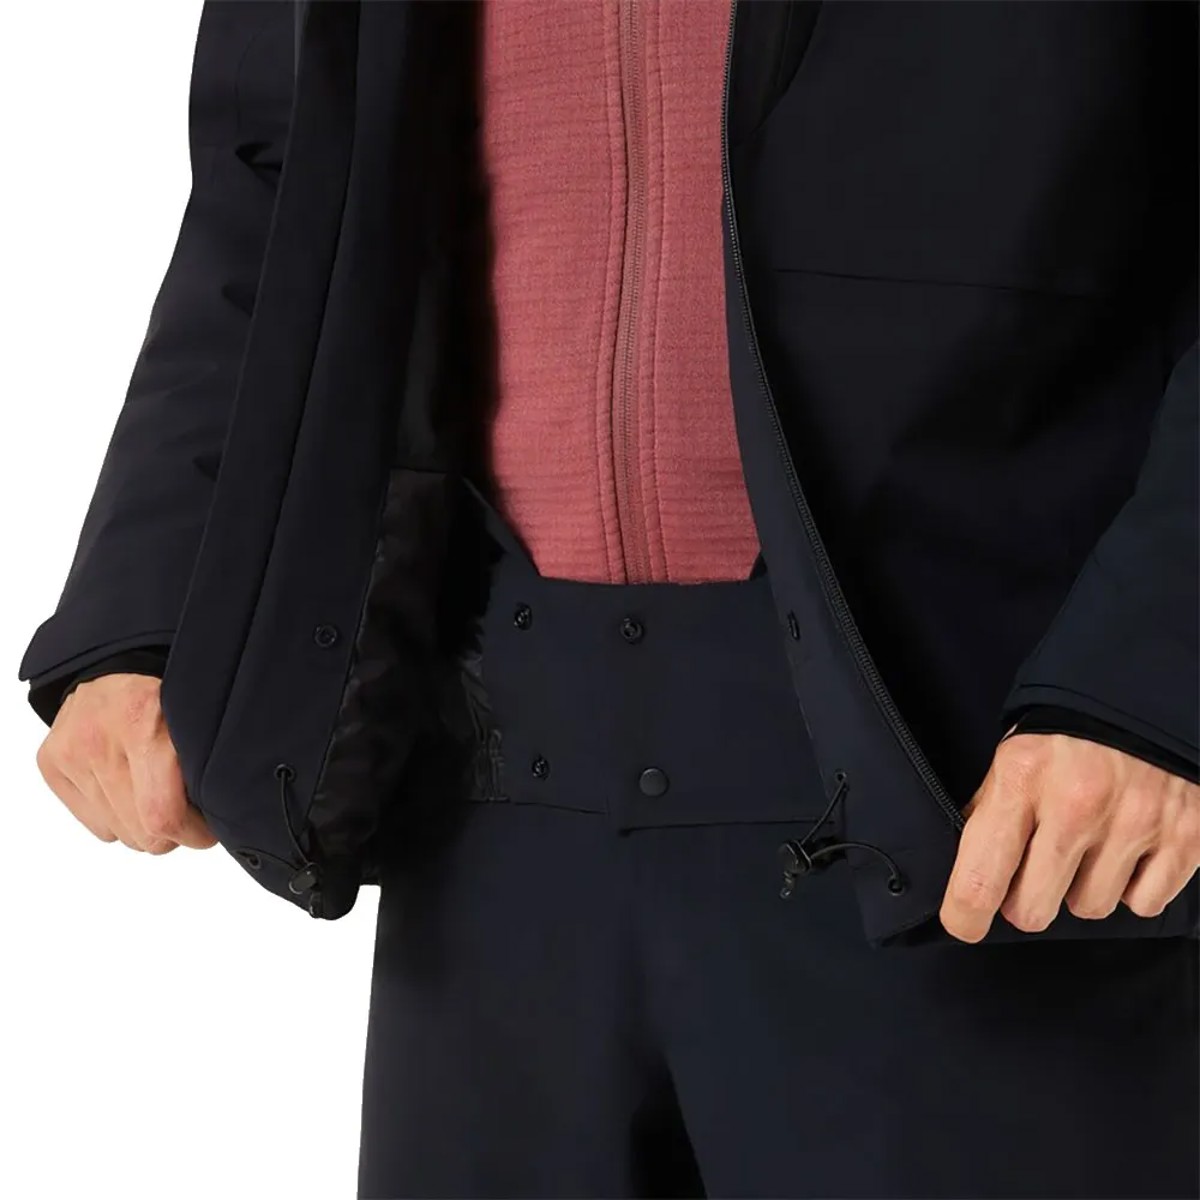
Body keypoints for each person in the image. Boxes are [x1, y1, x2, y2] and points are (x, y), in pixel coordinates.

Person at [18, 2, 1199, 1196]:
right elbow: (283, 165)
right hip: (490, 789)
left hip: (986, 789)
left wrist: (1156, 674)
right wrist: (151, 597)